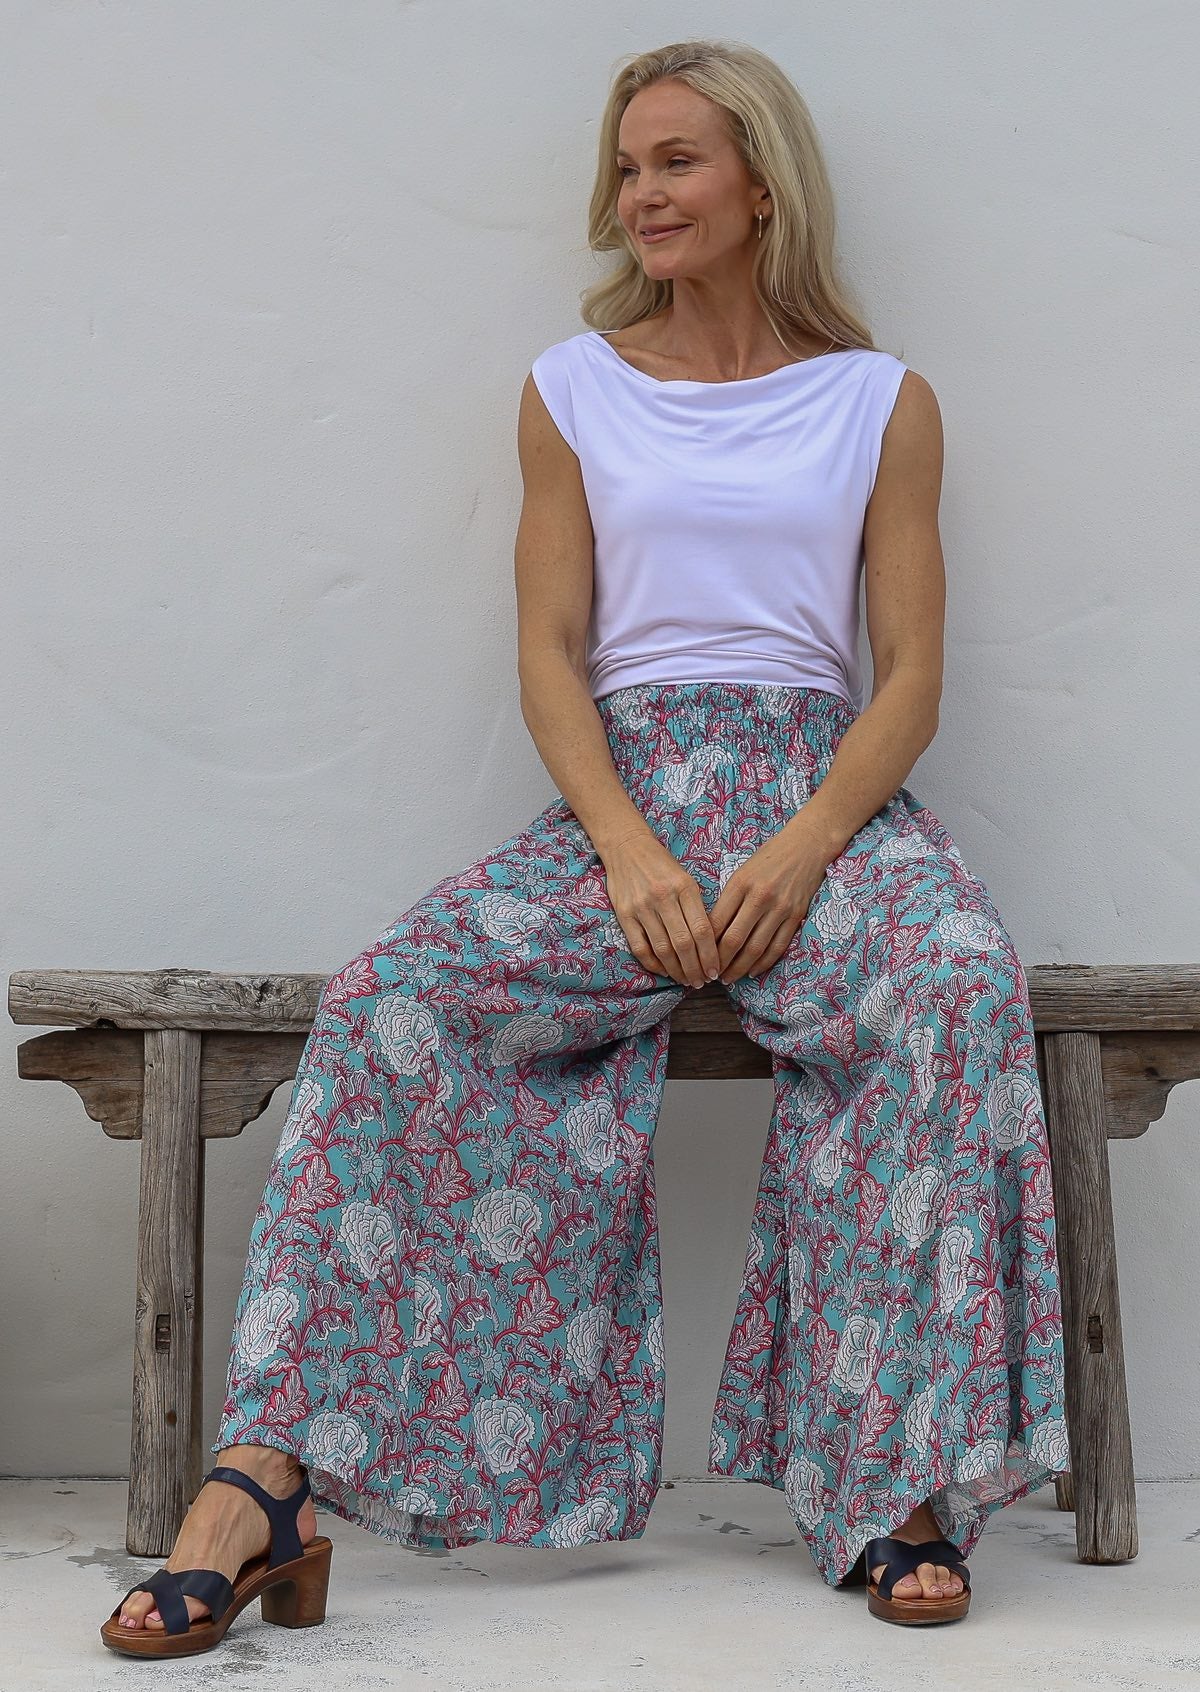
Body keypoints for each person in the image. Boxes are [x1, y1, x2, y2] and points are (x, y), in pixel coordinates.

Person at [102, 36, 1069, 1655]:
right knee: (390, 1004)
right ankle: (263, 1484)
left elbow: (910, 678)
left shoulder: (879, 401)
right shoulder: (573, 389)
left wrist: (810, 844)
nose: (640, 196)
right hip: (623, 801)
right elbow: (552, 653)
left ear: (763, 181)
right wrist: (627, 851)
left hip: (820, 803)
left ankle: (899, 1484)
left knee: (956, 989)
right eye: (628, 169)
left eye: (675, 162)